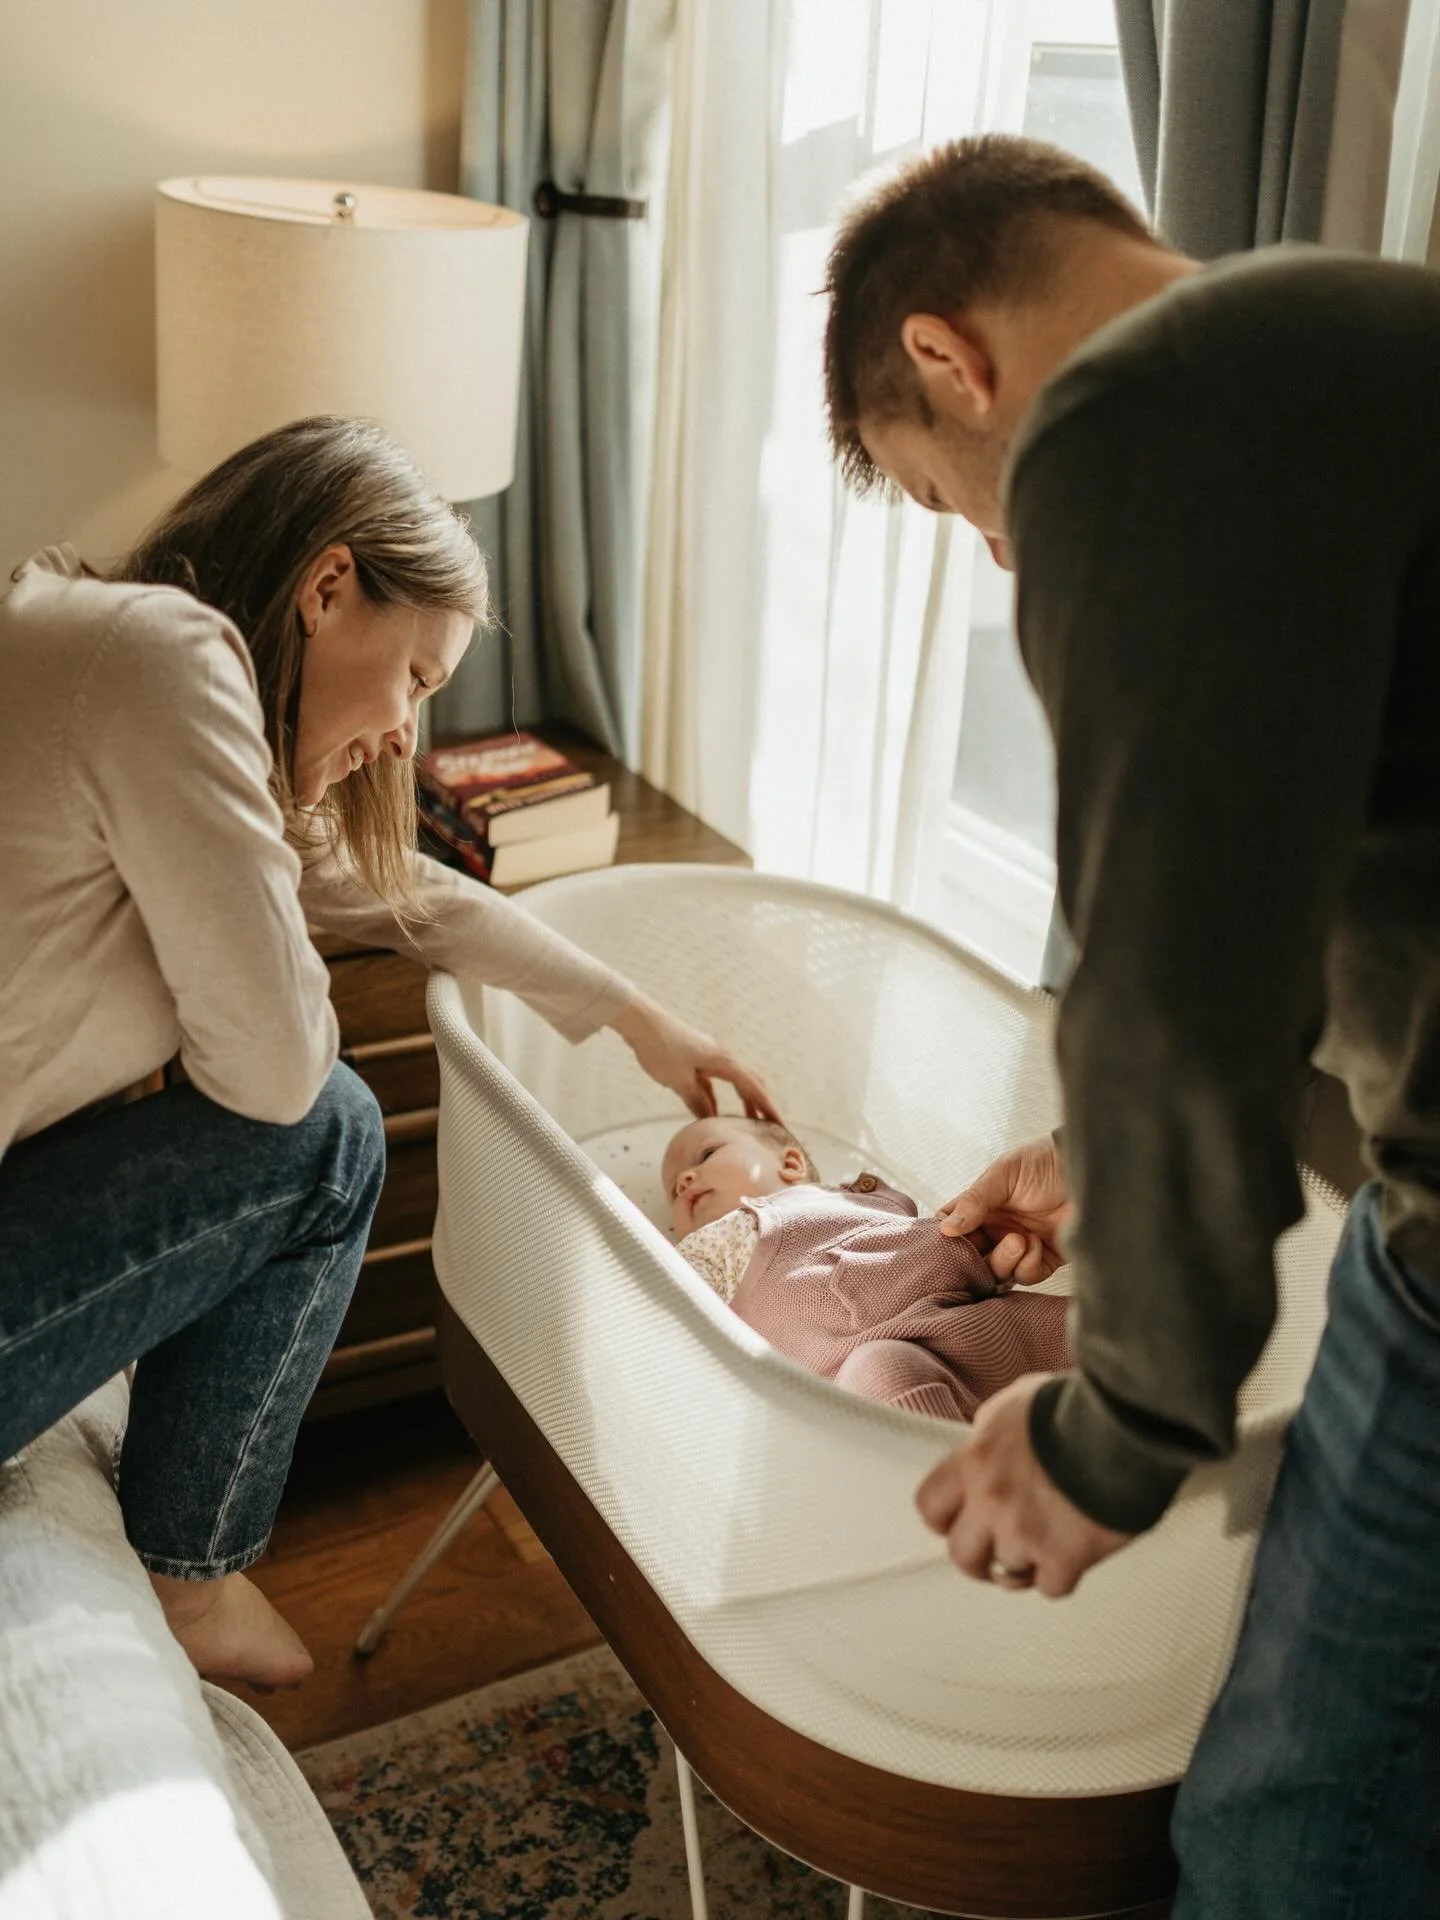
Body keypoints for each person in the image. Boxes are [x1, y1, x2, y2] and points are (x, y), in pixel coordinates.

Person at [820, 133, 1440, 1915]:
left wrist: (1121, 1428)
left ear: (949, 357)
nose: (999, 545)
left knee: (1294, 1824)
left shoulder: (1132, 414)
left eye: (946, 498)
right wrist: (1094, 1154)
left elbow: (1169, 979)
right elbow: (1306, 884)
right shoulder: (1366, 340)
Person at [0, 416, 773, 1690]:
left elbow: (403, 895)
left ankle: (191, 1573)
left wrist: (639, 1018)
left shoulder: (110, 649)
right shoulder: (165, 656)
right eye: (415, 677)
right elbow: (274, 1078)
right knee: (335, 1134)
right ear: (326, 585)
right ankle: (190, 1575)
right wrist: (279, 869)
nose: (411, 735)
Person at [662, 1115, 1069, 1419]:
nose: (684, 1180)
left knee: (1085, 1336)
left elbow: (925, 1247)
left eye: (707, 1154)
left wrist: (975, 1254)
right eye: (672, 1189)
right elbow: (664, 1316)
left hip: (967, 1323)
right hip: (856, 1377)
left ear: (791, 1164)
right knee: (882, 1373)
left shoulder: (856, 1203)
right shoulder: (706, 1249)